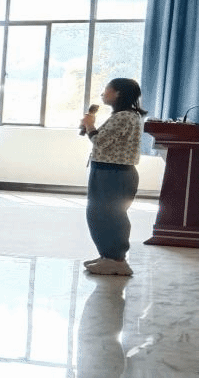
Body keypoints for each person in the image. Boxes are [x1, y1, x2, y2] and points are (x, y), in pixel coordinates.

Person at [80, 78, 146, 276]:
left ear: (118, 93)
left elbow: (100, 141)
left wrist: (90, 125)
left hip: (114, 174)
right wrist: (89, 126)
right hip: (108, 171)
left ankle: (116, 260)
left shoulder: (124, 116)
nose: (103, 94)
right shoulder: (124, 115)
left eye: (106, 90)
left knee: (110, 216)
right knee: (100, 215)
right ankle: (108, 256)